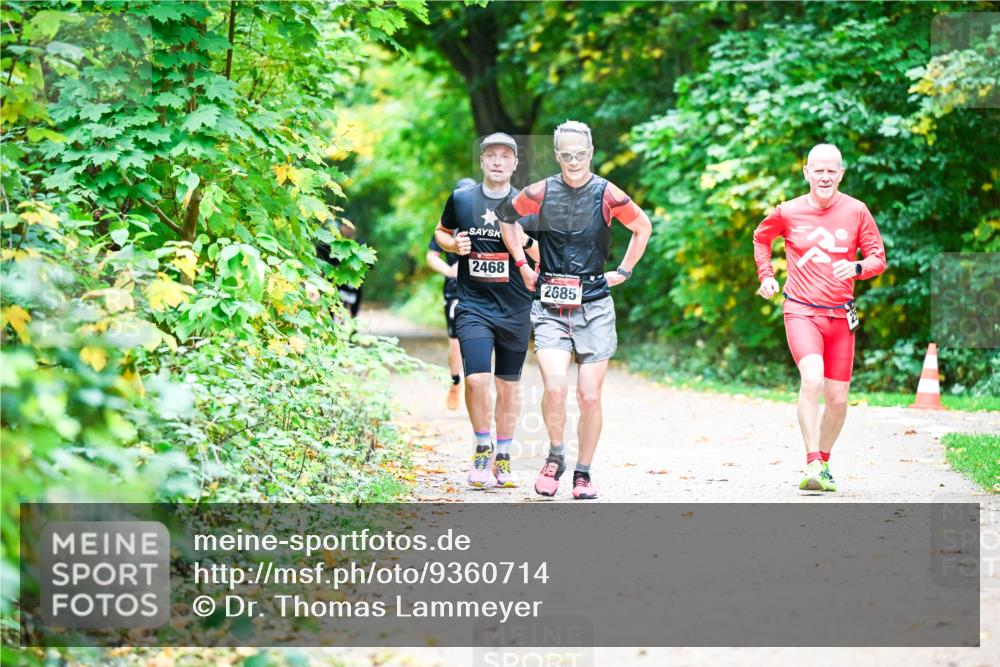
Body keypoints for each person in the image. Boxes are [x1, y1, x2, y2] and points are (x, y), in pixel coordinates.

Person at [495, 120, 652, 499]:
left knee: (590, 396)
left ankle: (583, 473)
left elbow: (642, 227)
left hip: (595, 306)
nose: (574, 161)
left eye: (580, 154)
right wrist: (522, 265)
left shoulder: (607, 193)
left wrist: (624, 271)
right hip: (550, 306)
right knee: (554, 385)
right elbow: (505, 217)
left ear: (591, 153)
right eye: (566, 155)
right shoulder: (542, 191)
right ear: (557, 155)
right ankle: (555, 457)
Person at [752, 143, 887, 492]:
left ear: (841, 174)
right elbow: (760, 237)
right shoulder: (788, 211)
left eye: (832, 171)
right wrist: (766, 275)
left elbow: (877, 258)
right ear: (807, 173)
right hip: (801, 309)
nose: (825, 176)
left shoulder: (857, 211)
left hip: (842, 316)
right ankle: (811, 460)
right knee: (812, 380)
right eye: (819, 170)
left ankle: (824, 462)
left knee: (839, 399)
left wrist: (856, 267)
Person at [433, 134, 539, 489]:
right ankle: (482, 447)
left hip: (515, 307)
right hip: (474, 305)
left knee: (508, 387)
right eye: (490, 155)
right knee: (477, 380)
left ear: (514, 164)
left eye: (504, 156)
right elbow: (441, 233)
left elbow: (546, 256)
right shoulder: (462, 198)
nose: (497, 161)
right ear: (481, 162)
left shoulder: (530, 205)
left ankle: (504, 456)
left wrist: (523, 241)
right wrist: (454, 244)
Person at [426, 178, 475, 411]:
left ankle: (478, 386)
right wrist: (449, 270)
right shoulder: (448, 224)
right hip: (455, 290)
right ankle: (455, 381)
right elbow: (431, 256)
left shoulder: (485, 219)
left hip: (482, 289)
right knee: (456, 344)